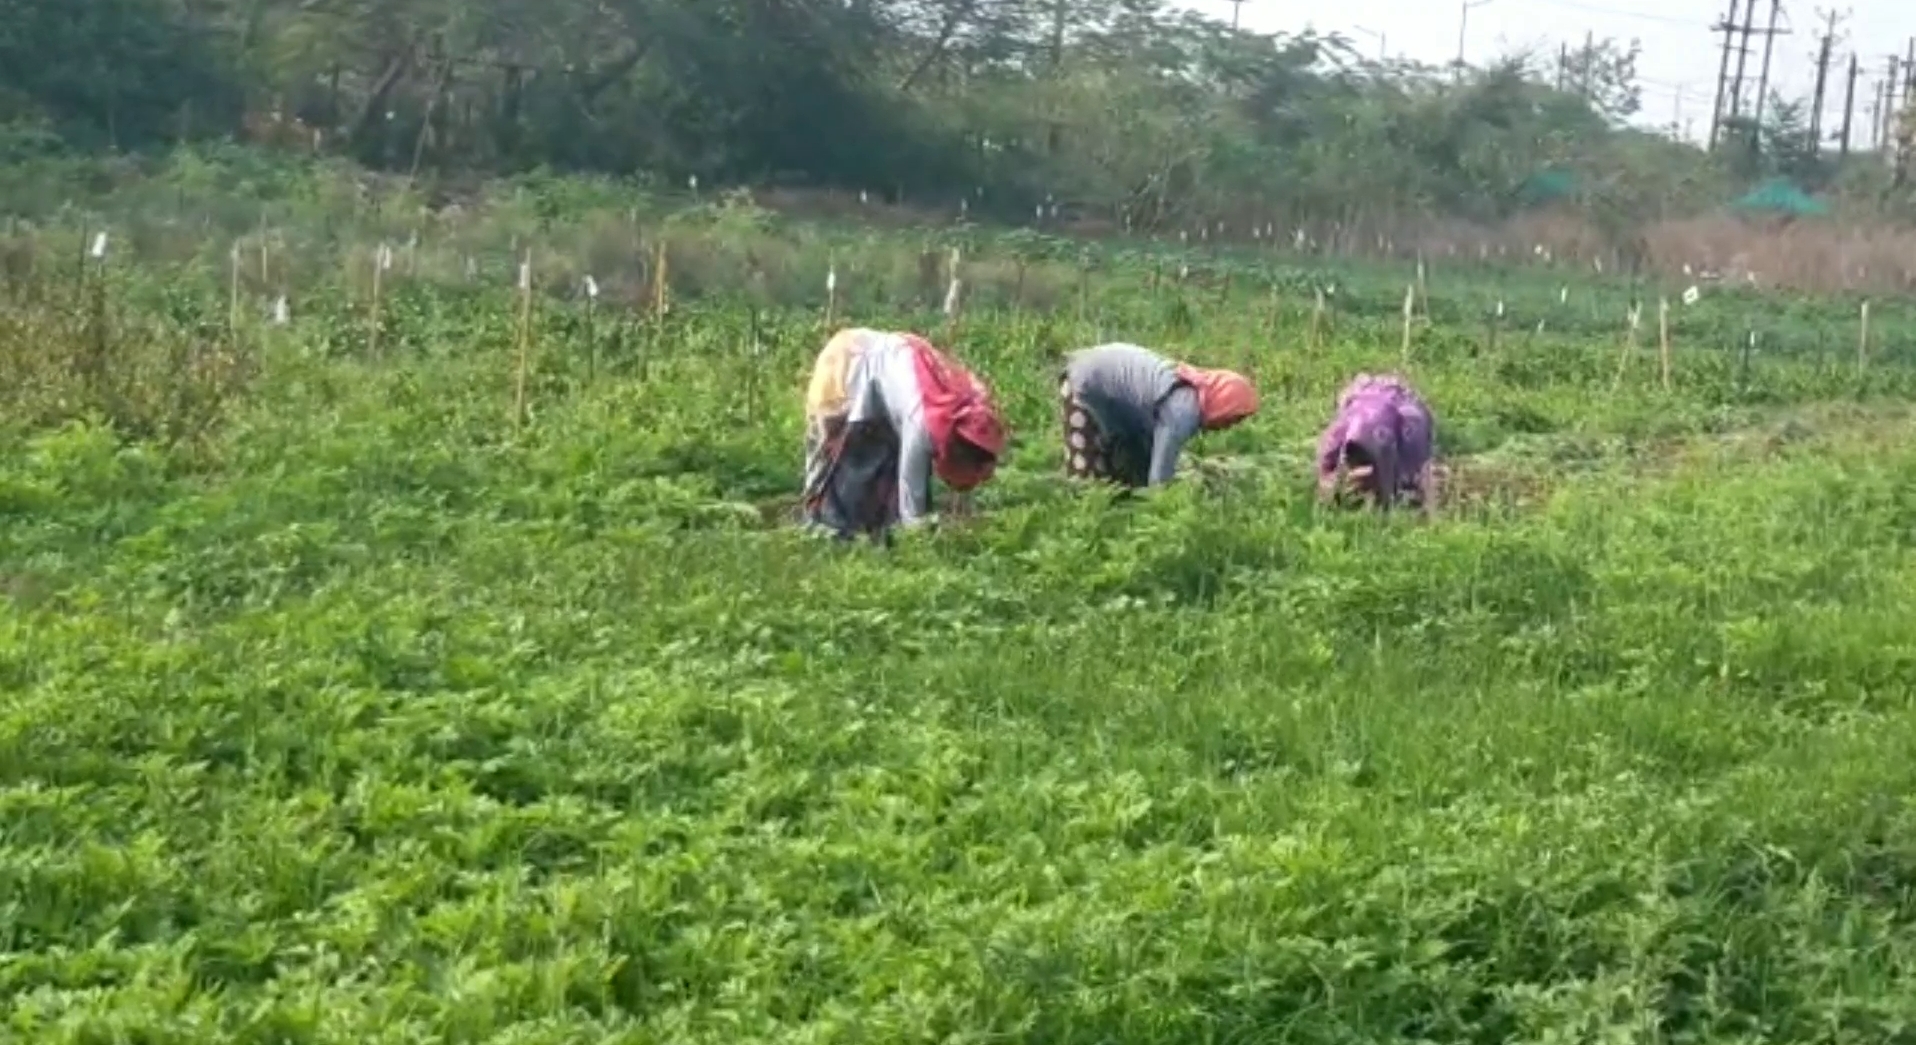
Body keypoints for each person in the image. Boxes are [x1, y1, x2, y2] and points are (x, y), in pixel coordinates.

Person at [801, 327, 1007, 540]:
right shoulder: (923, 426)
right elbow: (911, 486)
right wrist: (919, 531)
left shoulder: (969, 400)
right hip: (850, 366)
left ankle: (873, 528)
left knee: (883, 462)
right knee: (845, 460)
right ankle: (824, 526)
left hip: (887, 369)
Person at [1057, 342, 1259, 489]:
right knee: (1088, 479)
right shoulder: (1183, 412)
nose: (1230, 425)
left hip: (1111, 393)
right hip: (1086, 382)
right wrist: (1159, 510)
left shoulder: (1189, 396)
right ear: (1223, 402)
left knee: (1128, 468)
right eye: (1233, 417)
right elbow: (1159, 477)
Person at [1315, 372, 1436, 514]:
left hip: (1400, 404)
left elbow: (1421, 485)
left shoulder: (1411, 431)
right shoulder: (1338, 436)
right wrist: (1336, 486)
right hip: (1362, 400)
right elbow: (1323, 476)